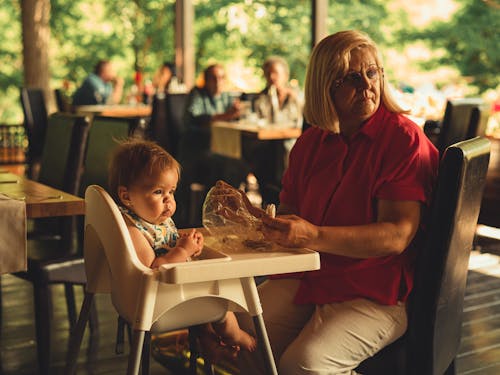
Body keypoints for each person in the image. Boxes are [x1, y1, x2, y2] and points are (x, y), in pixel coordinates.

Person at [235, 30, 440, 374]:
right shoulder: (310, 144)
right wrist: (263, 225)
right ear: (323, 86)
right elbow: (292, 216)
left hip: (379, 290)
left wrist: (311, 235)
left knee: (304, 365)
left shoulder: (402, 139)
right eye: (350, 77)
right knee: (239, 336)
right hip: (314, 277)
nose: (366, 84)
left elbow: (396, 236)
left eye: (371, 73)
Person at [107, 139, 255, 360]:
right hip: (160, 302)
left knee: (206, 284)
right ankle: (235, 335)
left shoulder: (152, 219)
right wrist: (182, 252)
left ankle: (207, 342)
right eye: (158, 192)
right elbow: (154, 269)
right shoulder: (132, 229)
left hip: (176, 291)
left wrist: (183, 245)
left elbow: (163, 250)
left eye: (172, 192)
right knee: (222, 290)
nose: (169, 201)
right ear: (126, 196)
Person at [254, 56, 302, 127]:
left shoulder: (296, 95)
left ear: (286, 75)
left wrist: (295, 99)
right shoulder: (261, 98)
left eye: (275, 73)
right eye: (268, 73)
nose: (271, 77)